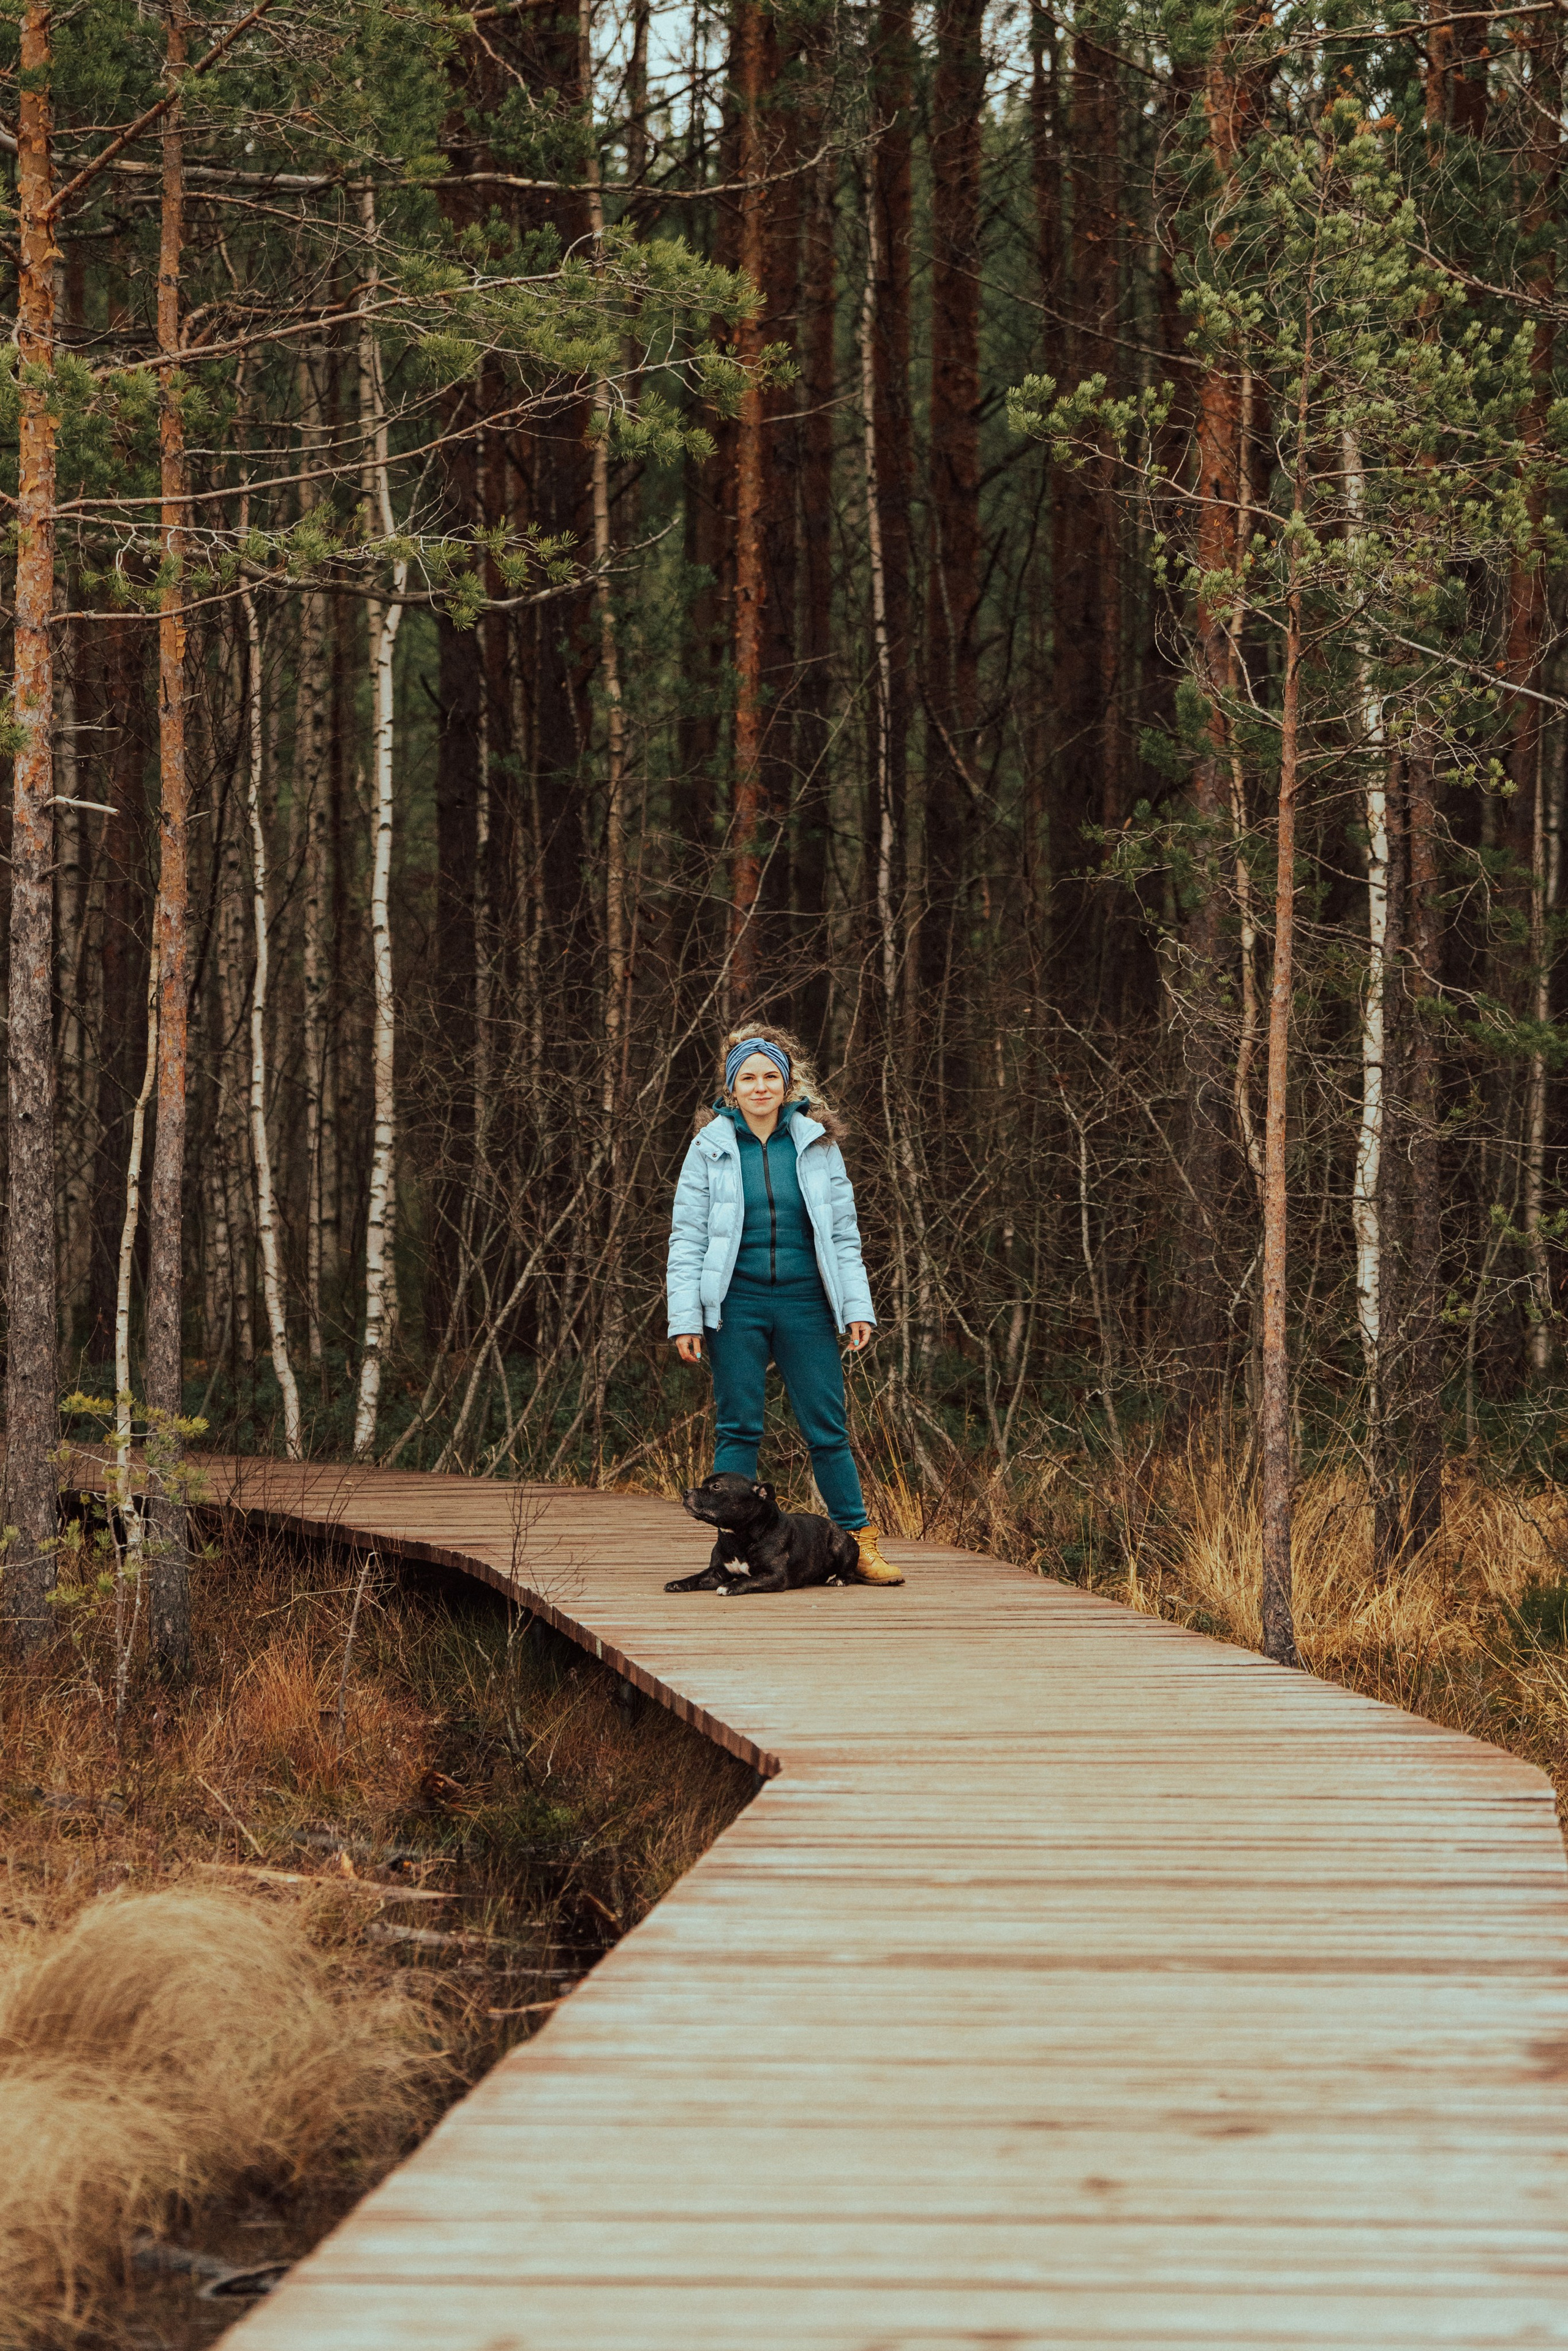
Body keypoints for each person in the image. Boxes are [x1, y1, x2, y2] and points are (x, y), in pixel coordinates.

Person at [666, 1025, 904, 1586]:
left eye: (770, 1076)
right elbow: (687, 1238)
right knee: (739, 1426)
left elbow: (843, 1234)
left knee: (827, 1428)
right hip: (736, 1306)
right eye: (748, 1077)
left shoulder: (817, 1143)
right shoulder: (709, 1148)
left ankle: (859, 1544)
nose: (760, 1086)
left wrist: (857, 1307)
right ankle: (732, 1557)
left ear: (787, 1082)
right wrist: (686, 1318)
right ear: (732, 1088)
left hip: (805, 1305)